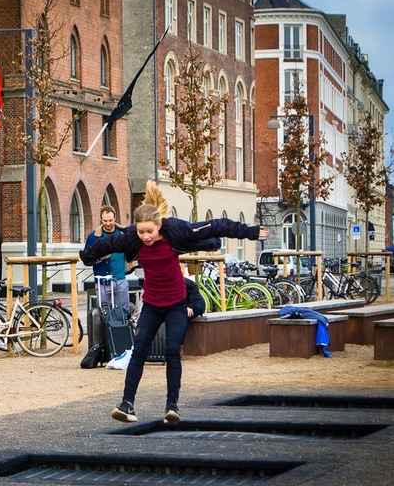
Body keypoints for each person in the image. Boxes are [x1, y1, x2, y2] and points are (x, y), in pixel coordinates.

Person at [80, 181, 268, 426]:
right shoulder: (131, 239)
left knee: (171, 352)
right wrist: (87, 255)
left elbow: (216, 225)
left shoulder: (177, 232)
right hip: (152, 305)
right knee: (139, 351)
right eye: (141, 232)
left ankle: (172, 406)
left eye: (150, 231)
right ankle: (126, 404)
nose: (146, 237)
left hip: (176, 304)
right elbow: (106, 244)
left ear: (159, 225)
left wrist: (249, 231)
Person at [84, 205, 134, 315]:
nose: (108, 223)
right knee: (104, 313)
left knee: (123, 312)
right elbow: (86, 259)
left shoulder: (125, 233)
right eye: (105, 220)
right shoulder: (93, 236)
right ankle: (105, 332)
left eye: (110, 220)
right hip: (102, 280)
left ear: (115, 218)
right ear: (101, 219)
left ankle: (122, 331)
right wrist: (99, 258)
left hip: (120, 279)